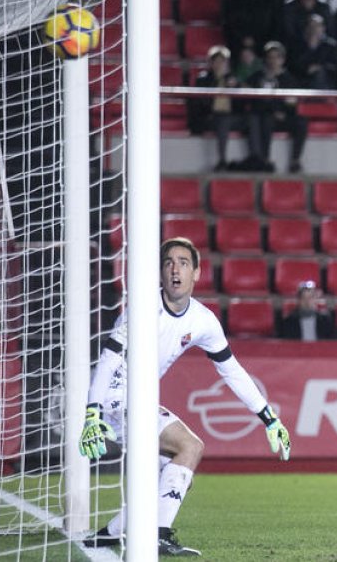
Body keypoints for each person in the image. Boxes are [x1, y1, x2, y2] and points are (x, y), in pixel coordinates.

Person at [81, 238, 291, 555]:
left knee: (177, 476)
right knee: (190, 447)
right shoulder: (142, 308)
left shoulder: (204, 321)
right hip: (115, 395)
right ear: (161, 273)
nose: (175, 268)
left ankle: (110, 533)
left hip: (139, 399)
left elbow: (232, 371)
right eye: (168, 262)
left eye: (183, 262)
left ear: (196, 273)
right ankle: (158, 535)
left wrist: (269, 418)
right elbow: (109, 359)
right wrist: (92, 412)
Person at [246, 41, 307, 173]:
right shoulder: (258, 77)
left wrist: (283, 112)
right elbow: (253, 98)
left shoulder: (289, 79)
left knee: (301, 122)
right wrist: (273, 110)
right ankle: (266, 159)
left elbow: (292, 103)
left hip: (284, 117)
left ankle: (295, 161)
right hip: (267, 117)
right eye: (270, 57)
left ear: (282, 59)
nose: (273, 60)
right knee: (266, 119)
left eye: (276, 57)